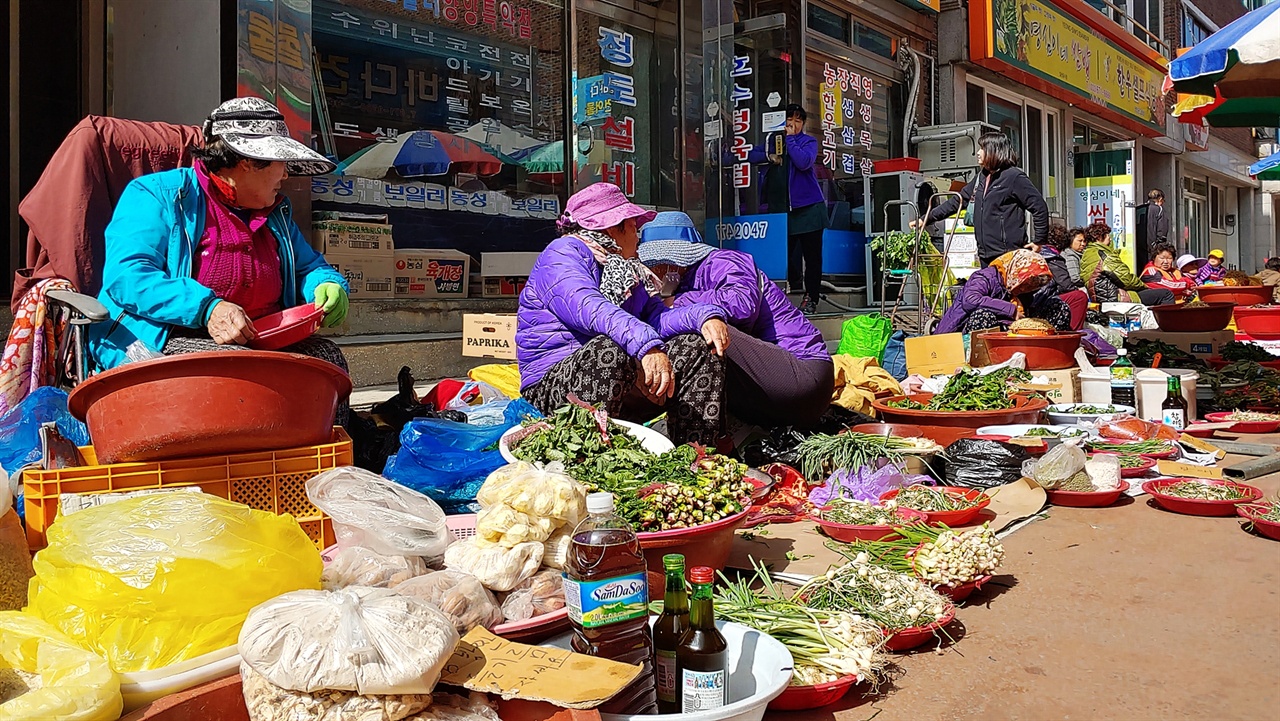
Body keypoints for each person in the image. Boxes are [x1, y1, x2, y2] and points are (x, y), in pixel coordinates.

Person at [89, 98, 352, 417]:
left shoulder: (274, 212)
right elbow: (127, 277)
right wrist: (207, 308)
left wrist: (326, 284)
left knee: (326, 362)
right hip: (168, 334)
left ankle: (330, 464)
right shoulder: (156, 194)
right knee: (236, 376)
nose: (286, 174)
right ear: (247, 162)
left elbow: (308, 266)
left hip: (257, 338)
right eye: (280, 162)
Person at [517, 183, 731, 446]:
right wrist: (644, 348)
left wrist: (704, 317)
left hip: (619, 378)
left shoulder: (627, 269)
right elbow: (590, 309)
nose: (638, 234)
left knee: (698, 348)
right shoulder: (561, 255)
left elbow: (656, 317)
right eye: (633, 226)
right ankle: (592, 460)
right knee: (610, 348)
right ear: (611, 228)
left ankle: (692, 459)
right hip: (553, 390)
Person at [637, 212, 833, 429]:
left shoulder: (724, 261)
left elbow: (742, 304)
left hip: (804, 373)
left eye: (656, 265)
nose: (654, 271)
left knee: (701, 334)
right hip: (771, 387)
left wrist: (681, 302)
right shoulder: (683, 282)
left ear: (673, 263)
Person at [911, 132, 1048, 266]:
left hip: (1008, 255)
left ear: (994, 151)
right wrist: (925, 218)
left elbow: (1039, 207)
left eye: (982, 148)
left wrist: (1039, 241)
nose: (978, 152)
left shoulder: (1014, 177)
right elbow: (956, 202)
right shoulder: (981, 177)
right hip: (985, 255)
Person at [751, 104, 826, 315]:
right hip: (781, 211)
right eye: (790, 119)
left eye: (798, 120)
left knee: (812, 258)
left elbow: (804, 162)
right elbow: (752, 155)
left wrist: (791, 139)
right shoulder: (771, 141)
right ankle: (781, 296)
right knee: (784, 255)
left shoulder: (807, 141)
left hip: (809, 208)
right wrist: (770, 156)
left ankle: (811, 297)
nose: (794, 123)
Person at [934, 249, 1072, 334]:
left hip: (1009, 330)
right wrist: (1010, 310)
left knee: (1058, 306)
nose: (1027, 288)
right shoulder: (984, 277)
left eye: (1033, 285)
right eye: (1026, 282)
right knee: (984, 315)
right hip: (963, 331)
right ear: (1016, 272)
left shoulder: (1021, 290)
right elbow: (970, 300)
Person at [1080, 223, 1174, 306]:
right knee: (1166, 294)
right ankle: (1168, 324)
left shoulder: (1087, 254)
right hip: (1115, 297)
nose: (1110, 238)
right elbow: (1126, 279)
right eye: (1108, 235)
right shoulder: (1104, 254)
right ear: (1099, 237)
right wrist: (1143, 286)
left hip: (1100, 297)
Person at [1039, 225, 1089, 329]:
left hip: (1038, 298)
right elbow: (1066, 284)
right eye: (1080, 241)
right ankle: (1074, 334)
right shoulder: (1053, 258)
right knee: (1080, 297)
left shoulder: (1041, 253)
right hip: (1043, 299)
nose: (1083, 244)